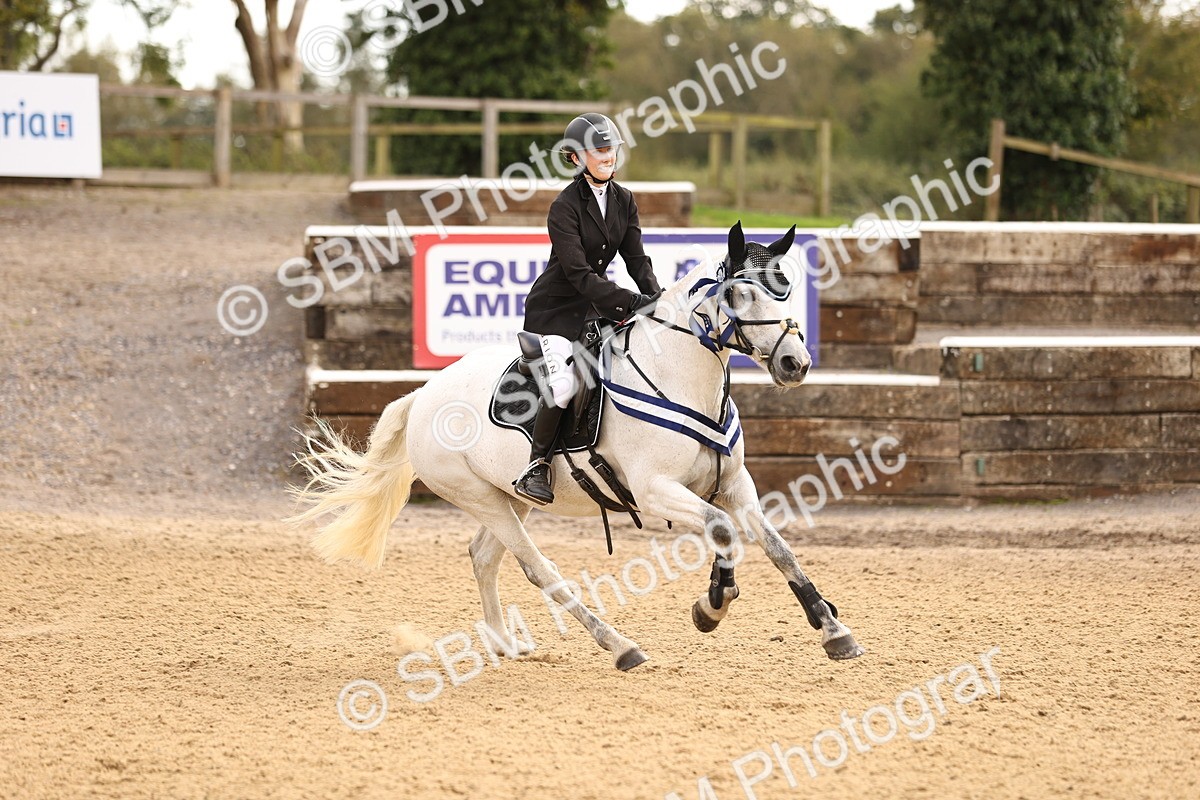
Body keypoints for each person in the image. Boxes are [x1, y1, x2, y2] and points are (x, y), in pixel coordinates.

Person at [513, 112, 662, 505]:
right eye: (598, 150)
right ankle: (536, 466)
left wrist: (658, 299)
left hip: (597, 308)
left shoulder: (624, 200)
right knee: (564, 385)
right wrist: (630, 301)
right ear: (577, 157)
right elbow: (579, 274)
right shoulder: (563, 207)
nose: (608, 156)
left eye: (611, 148)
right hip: (556, 312)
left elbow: (637, 260)